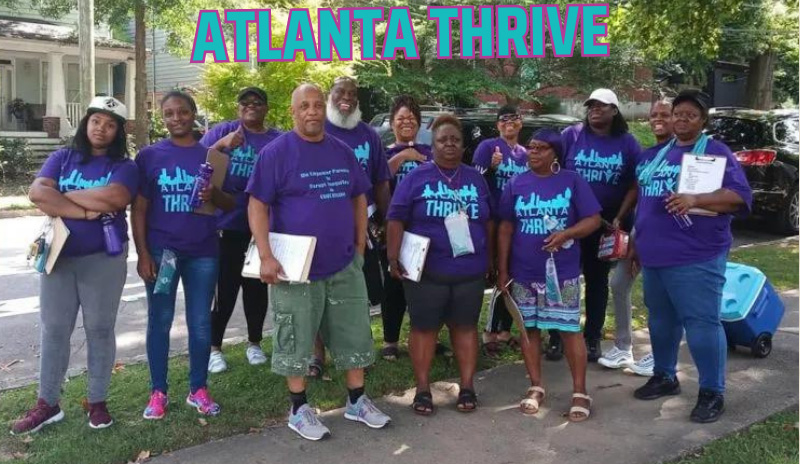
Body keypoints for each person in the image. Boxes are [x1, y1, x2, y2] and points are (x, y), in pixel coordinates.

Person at [246, 83, 391, 441]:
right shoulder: (277, 153)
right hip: (294, 269)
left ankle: (357, 401)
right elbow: (257, 205)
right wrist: (265, 255)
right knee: (294, 336)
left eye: (316, 105)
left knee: (353, 332)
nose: (311, 111)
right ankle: (298, 408)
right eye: (304, 106)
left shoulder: (341, 151)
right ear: (293, 112)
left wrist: (359, 244)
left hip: (343, 263)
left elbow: (359, 196)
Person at [12, 97, 138, 434]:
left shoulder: (124, 166)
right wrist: (84, 211)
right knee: (54, 330)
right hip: (59, 257)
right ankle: (47, 403)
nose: (101, 128)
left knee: (99, 329)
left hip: (103, 259)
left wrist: (61, 200)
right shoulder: (63, 157)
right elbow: (37, 193)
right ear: (86, 123)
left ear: (118, 132)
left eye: (110, 124)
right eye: (96, 120)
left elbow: (115, 198)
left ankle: (97, 402)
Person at [630, 89, 752, 423]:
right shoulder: (655, 155)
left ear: (702, 121)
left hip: (695, 255)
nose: (682, 119)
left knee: (701, 323)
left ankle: (712, 392)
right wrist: (635, 240)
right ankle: (665, 376)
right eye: (678, 113)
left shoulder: (715, 152)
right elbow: (644, 201)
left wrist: (694, 199)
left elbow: (738, 197)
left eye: (691, 115)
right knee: (661, 320)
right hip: (654, 253)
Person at [133, 91, 234, 420]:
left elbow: (230, 204)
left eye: (183, 112)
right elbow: (140, 209)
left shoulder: (211, 157)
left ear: (193, 114)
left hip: (203, 252)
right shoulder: (149, 157)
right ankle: (158, 391)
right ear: (162, 117)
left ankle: (198, 389)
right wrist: (143, 253)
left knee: (201, 323)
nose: (176, 118)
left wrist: (213, 193)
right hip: (163, 254)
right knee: (159, 321)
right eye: (169, 113)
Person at [386, 114, 494, 415]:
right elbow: (396, 218)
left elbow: (489, 222)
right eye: (442, 140)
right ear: (431, 145)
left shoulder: (475, 178)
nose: (449, 144)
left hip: (469, 272)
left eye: (455, 140)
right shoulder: (416, 177)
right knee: (424, 328)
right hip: (426, 272)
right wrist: (393, 256)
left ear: (463, 145)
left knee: (465, 327)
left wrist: (492, 260)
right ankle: (422, 389)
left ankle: (468, 385)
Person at [497, 128, 602, 422]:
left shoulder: (572, 181)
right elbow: (505, 227)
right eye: (531, 147)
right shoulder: (517, 183)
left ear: (555, 152)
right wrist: (503, 269)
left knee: (569, 330)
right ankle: (535, 386)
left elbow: (593, 219)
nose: (533, 152)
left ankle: (580, 391)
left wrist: (568, 233)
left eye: (541, 148)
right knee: (528, 330)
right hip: (523, 272)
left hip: (562, 274)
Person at [547, 88, 641, 363]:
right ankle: (557, 336)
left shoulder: (627, 143)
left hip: (606, 225)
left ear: (614, 110)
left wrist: (619, 217)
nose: (595, 110)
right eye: (591, 105)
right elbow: (555, 171)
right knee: (563, 279)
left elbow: (635, 184)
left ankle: (591, 339)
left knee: (597, 281)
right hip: (570, 223)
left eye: (602, 106)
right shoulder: (572, 136)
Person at [201, 87, 283, 373]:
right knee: (224, 291)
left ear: (266, 108)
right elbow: (197, 163)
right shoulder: (224, 131)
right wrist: (222, 144)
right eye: (245, 102)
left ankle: (254, 343)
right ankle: (214, 349)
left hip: (260, 229)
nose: (250, 106)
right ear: (238, 108)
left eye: (257, 102)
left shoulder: (276, 140)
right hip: (225, 226)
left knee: (256, 289)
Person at [316, 76, 392, 375]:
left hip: (363, 225)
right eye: (340, 92)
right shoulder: (317, 130)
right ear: (329, 95)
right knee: (318, 291)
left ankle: (357, 353)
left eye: (352, 93)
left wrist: (385, 221)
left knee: (360, 293)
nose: (346, 97)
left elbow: (381, 182)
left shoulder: (369, 136)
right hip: (322, 225)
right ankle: (317, 357)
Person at [598, 97, 674, 376]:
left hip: (671, 237)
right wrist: (622, 216)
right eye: (654, 114)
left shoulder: (683, 153)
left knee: (662, 297)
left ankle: (661, 354)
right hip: (641, 229)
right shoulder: (648, 154)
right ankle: (623, 346)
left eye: (665, 114)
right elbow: (637, 188)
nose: (658, 119)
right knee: (618, 282)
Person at [472, 105, 528, 357]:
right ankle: (489, 333)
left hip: (517, 223)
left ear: (520, 123)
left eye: (513, 118)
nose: (509, 122)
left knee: (513, 275)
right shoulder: (488, 147)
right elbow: (474, 181)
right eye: (503, 119)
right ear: (497, 125)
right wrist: (491, 167)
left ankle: (505, 331)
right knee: (497, 274)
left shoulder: (525, 154)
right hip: (493, 222)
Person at [380, 94, 433, 361]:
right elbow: (375, 181)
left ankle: (425, 336)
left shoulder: (429, 153)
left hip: (425, 229)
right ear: (391, 124)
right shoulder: (384, 153)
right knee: (394, 285)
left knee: (424, 288)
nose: (406, 122)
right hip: (393, 228)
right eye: (400, 118)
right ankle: (390, 341)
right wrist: (403, 156)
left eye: (411, 118)